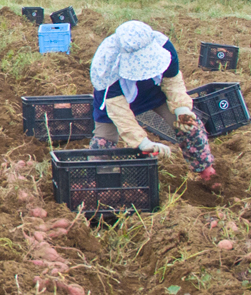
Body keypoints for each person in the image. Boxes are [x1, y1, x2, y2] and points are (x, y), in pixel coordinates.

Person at [88, 21, 217, 182]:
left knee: (189, 124)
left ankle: (206, 172)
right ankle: (102, 183)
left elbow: (172, 81)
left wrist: (182, 109)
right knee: (102, 142)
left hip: (153, 90)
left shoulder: (164, 47)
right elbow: (119, 112)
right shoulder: (106, 65)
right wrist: (142, 142)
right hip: (117, 97)